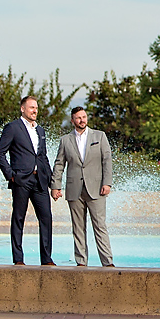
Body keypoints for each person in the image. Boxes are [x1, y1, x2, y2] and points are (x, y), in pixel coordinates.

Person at [0, 96, 56, 266]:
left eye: (36, 108)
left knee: (46, 218)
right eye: (31, 108)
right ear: (23, 109)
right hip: (21, 180)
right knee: (18, 218)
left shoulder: (40, 131)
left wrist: (53, 183)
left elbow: (43, 157)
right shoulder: (13, 128)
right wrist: (10, 174)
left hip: (40, 181)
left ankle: (46, 259)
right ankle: (18, 259)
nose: (34, 111)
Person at [50, 106, 114, 267]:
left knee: (100, 226)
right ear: (72, 121)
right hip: (74, 189)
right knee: (78, 227)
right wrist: (55, 186)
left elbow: (107, 161)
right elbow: (59, 164)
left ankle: (107, 262)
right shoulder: (65, 140)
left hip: (96, 189)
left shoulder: (99, 136)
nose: (82, 120)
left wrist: (107, 182)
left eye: (84, 117)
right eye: (78, 118)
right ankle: (81, 262)